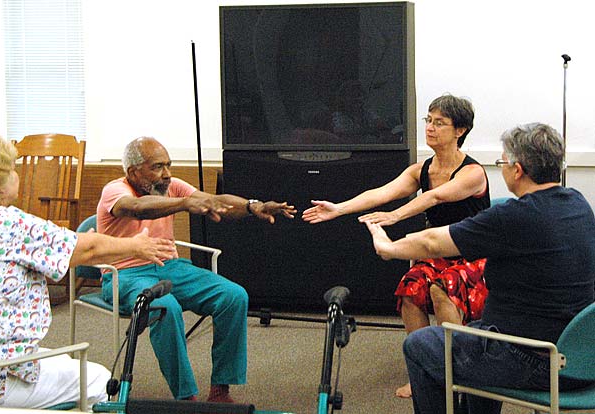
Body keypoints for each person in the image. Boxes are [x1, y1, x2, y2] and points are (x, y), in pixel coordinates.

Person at [366, 122, 595, 414]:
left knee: (421, 345)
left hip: (535, 361)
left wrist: (388, 247)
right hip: (581, 358)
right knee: (477, 334)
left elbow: (433, 244)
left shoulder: (514, 216)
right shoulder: (578, 204)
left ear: (517, 170)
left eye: (502, 162)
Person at [0, 133, 176, 408]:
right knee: (99, 381)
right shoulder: (10, 224)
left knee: (61, 361)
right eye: (12, 169)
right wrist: (136, 246)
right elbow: (88, 249)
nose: (16, 175)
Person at [302, 94, 490, 398]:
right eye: (428, 120)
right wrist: (338, 208)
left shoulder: (473, 173)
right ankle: (426, 372)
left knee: (442, 289)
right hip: (437, 253)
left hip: (473, 259)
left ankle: (455, 373)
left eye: (439, 123)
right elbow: (382, 192)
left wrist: (395, 216)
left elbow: (436, 197)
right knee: (410, 289)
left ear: (460, 130)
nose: (430, 127)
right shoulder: (422, 170)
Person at [96, 136, 296, 403]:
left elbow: (216, 201)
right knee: (166, 307)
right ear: (133, 172)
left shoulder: (171, 186)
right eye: (157, 167)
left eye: (168, 165)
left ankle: (220, 391)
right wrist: (183, 203)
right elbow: (137, 208)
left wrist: (252, 206)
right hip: (125, 274)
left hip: (170, 267)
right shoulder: (115, 190)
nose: (167, 174)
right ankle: (186, 398)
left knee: (233, 296)